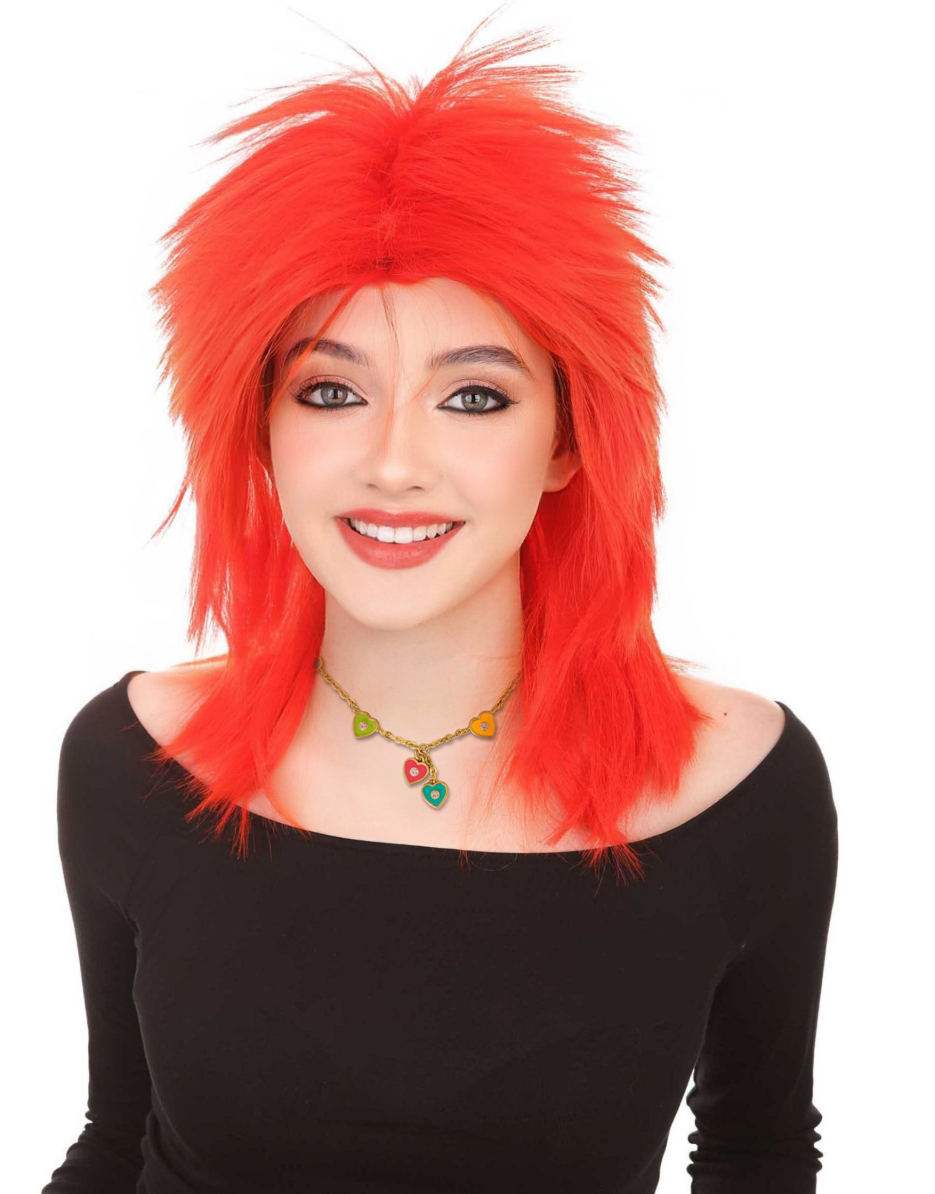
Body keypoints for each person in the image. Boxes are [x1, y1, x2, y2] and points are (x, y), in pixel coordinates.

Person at [42, 19, 839, 1194]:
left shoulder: (741, 788)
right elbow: (117, 1140)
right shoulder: (136, 761)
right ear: (258, 432)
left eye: (473, 397)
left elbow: (755, 1155)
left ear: (568, 441)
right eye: (330, 391)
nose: (393, 463)